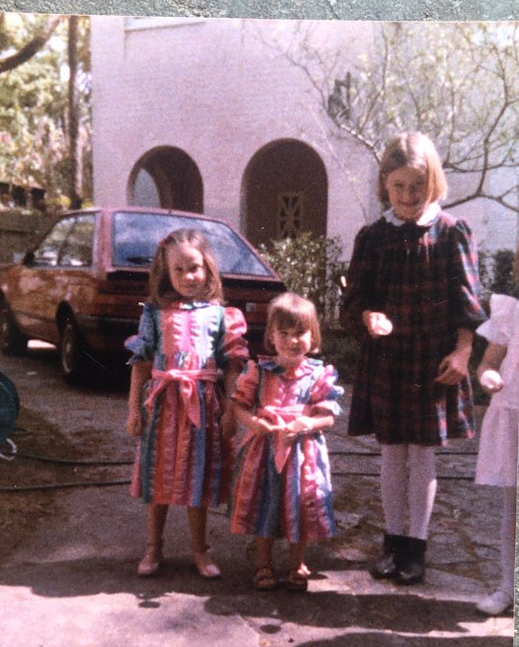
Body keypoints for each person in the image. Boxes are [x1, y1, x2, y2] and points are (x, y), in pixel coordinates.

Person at [340, 132, 486, 585]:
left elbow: (468, 303)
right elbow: (354, 300)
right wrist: (368, 316)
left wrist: (463, 354)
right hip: (387, 359)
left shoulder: (451, 231)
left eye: (416, 187)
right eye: (398, 186)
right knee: (391, 453)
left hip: (431, 362)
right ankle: (392, 541)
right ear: (385, 183)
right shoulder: (373, 236)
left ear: (432, 183)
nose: (407, 196)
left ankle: (415, 548)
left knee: (421, 456)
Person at [126, 228, 249, 579]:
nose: (187, 277)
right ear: (166, 273)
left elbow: (232, 366)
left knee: (198, 479)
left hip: (203, 407)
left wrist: (230, 410)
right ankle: (153, 547)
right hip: (163, 405)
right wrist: (134, 408)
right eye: (178, 271)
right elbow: (141, 364)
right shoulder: (154, 314)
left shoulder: (220, 315)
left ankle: (200, 550)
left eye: (194, 268)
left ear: (208, 268)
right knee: (159, 477)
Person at [230, 292, 343, 592]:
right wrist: (253, 422)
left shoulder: (318, 374)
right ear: (271, 336)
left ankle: (297, 562)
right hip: (265, 450)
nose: (293, 341)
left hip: (302, 453)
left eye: (301, 334)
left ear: (313, 335)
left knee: (300, 504)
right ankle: (263, 562)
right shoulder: (260, 371)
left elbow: (329, 417)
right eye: (285, 333)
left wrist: (309, 423)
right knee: (265, 502)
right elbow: (239, 405)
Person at [474, 275, 519, 616]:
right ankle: (508, 586)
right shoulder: (511, 312)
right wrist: (488, 376)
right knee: (512, 511)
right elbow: (488, 362)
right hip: (513, 415)